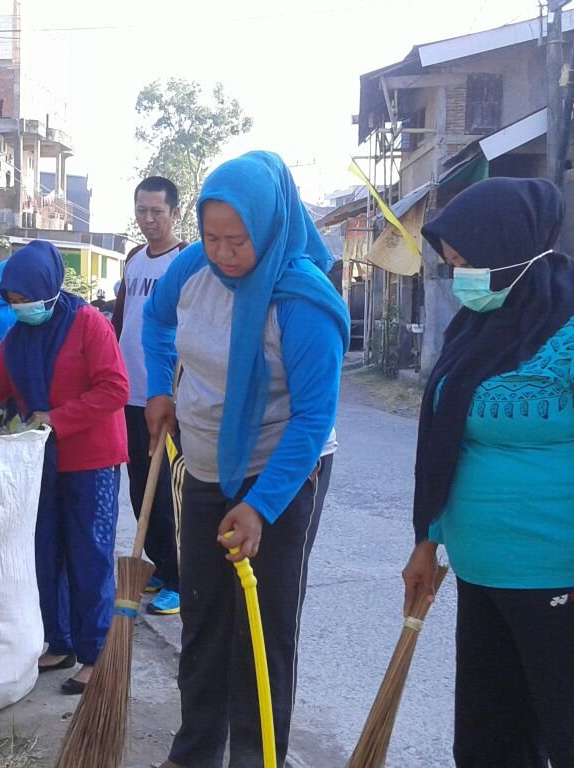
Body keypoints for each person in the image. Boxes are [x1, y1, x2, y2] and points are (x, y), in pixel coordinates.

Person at [401, 177, 574, 768]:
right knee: (489, 751)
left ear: (511, 251)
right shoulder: (478, 325)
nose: (461, 277)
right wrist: (428, 539)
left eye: (468, 263)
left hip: (566, 590)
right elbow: (449, 441)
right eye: (452, 264)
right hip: (483, 580)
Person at [142, 152, 349, 767]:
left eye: (239, 240)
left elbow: (313, 419)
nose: (224, 253)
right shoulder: (191, 269)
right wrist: (159, 388)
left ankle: (260, 758)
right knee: (203, 618)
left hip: (282, 471)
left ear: (271, 227)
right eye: (211, 237)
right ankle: (195, 753)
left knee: (263, 628)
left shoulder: (302, 301)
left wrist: (260, 506)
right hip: (203, 463)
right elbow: (155, 322)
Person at [0, 240, 128, 696]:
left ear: (46, 288)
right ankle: (59, 642)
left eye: (23, 300)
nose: (19, 309)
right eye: (12, 301)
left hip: (91, 461)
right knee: (45, 552)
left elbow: (115, 388)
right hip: (41, 461)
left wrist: (57, 417)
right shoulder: (20, 337)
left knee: (89, 558)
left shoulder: (88, 324)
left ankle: (96, 655)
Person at [115, 175, 190, 615]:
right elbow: (122, 320)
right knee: (139, 484)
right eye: (142, 210)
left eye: (157, 212)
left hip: (168, 395)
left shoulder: (187, 260)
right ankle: (161, 564)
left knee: (167, 491)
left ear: (175, 212)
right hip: (130, 393)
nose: (148, 220)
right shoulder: (133, 259)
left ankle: (180, 578)